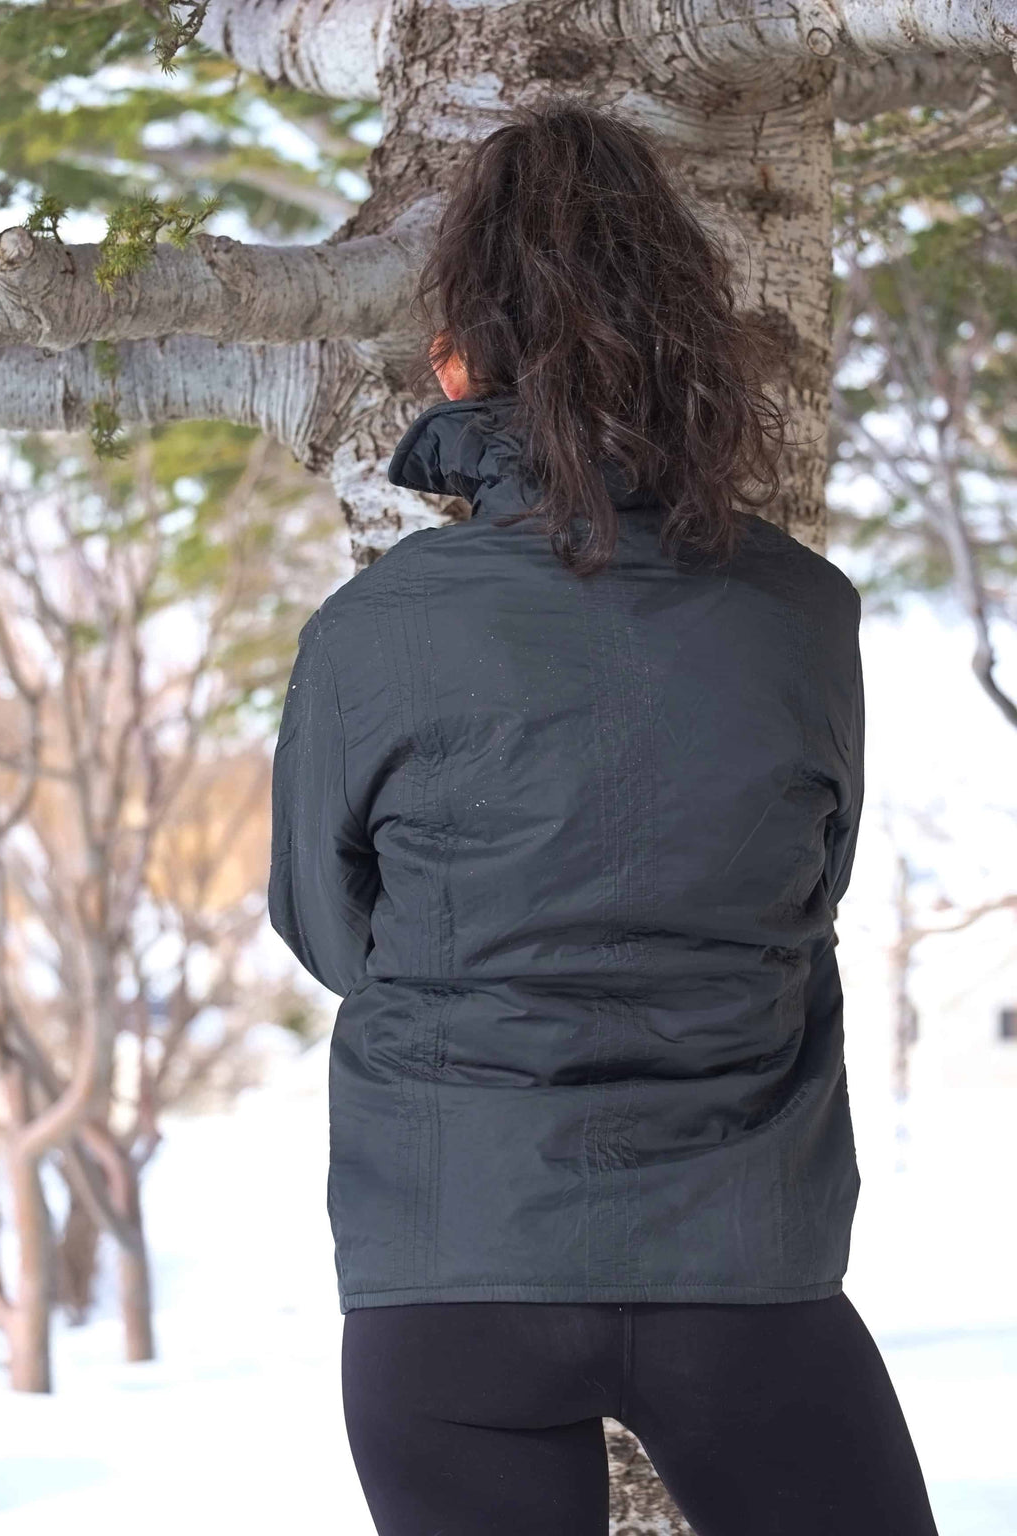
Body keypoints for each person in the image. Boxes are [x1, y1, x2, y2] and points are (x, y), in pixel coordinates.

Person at [268, 98, 940, 1536]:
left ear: (461, 364)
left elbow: (331, 934)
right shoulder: (803, 613)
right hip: (741, 1257)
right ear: (699, 346)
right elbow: (803, 891)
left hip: (451, 1271)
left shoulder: (372, 632)